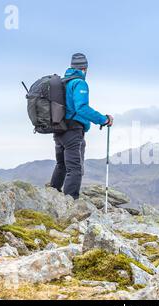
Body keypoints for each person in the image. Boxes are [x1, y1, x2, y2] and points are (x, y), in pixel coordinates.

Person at [50, 53, 113, 199]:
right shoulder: (79, 83)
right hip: (72, 131)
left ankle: (51, 197)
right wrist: (103, 120)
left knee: (62, 165)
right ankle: (71, 203)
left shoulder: (62, 82)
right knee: (75, 169)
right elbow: (81, 108)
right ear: (85, 68)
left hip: (58, 129)